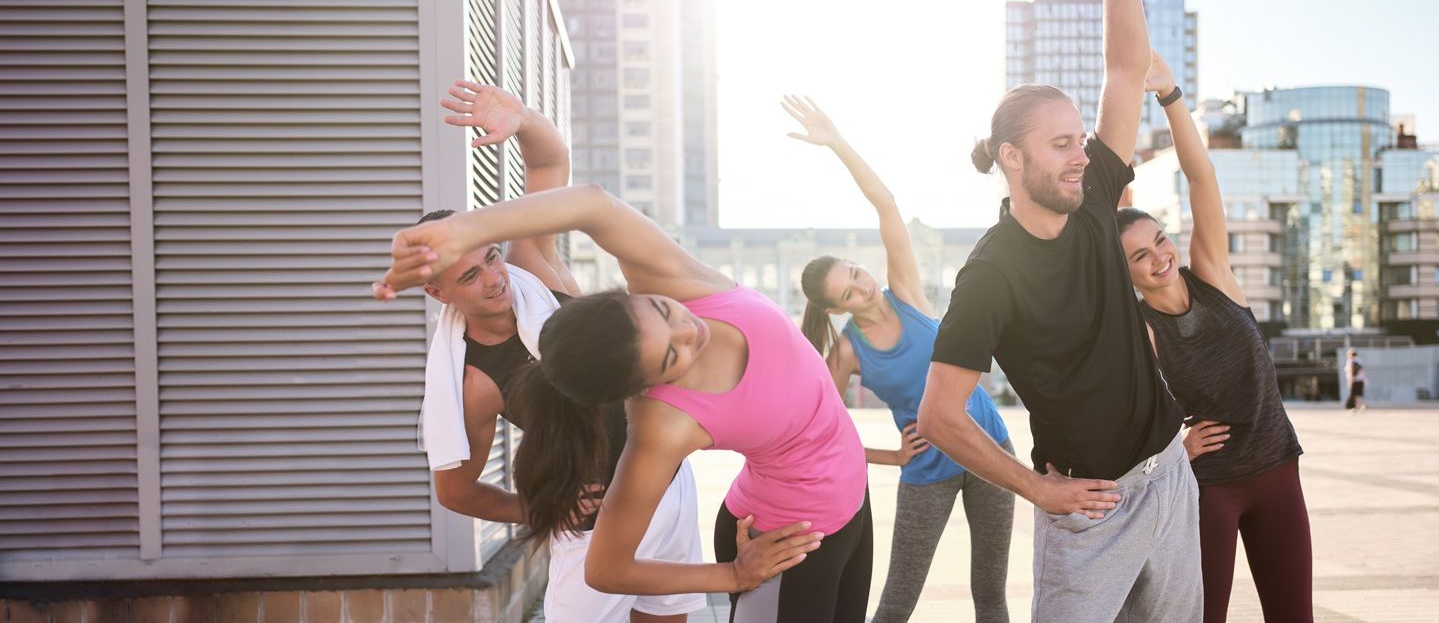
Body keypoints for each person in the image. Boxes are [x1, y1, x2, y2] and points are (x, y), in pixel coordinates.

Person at [374, 180, 872, 622]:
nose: (688, 330)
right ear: (643, 387)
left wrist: (461, 231)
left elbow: (593, 205)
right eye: (670, 356)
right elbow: (606, 568)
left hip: (854, 506)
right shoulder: (663, 425)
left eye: (661, 311)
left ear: (631, 293)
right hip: (793, 536)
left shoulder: (682, 283)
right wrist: (732, 576)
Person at [914, 0, 1205, 620]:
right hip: (1090, 509)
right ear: (1011, 157)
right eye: (1062, 144)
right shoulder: (989, 276)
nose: (1081, 154)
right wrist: (1038, 490)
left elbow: (1126, 70)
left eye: (1080, 139)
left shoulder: (1095, 186)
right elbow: (939, 417)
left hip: (1171, 480)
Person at [416, 81, 706, 623]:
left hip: (665, 481)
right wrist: (539, 509)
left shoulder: (534, 268)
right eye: (470, 275)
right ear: (438, 293)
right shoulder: (475, 380)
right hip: (592, 525)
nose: (494, 279)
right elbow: (455, 490)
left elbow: (550, 165)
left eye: (492, 258)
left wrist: (523, 119)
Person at [785, 95, 1015, 623]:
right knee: (896, 602)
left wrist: (838, 142)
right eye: (848, 292)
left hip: (991, 446)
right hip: (928, 469)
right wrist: (891, 457)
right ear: (834, 307)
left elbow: (885, 204)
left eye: (855, 272)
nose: (862, 288)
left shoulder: (904, 293)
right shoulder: (847, 351)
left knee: (991, 595)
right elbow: (817, 431)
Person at [1116, 52, 1313, 623]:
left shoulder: (1213, 275)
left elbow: (1201, 177)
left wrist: (1170, 95)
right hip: (1210, 489)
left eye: (1159, 240)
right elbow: (1131, 422)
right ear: (1123, 272)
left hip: (1278, 470)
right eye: (1139, 256)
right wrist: (1177, 447)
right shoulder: (1140, 333)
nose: (1159, 257)